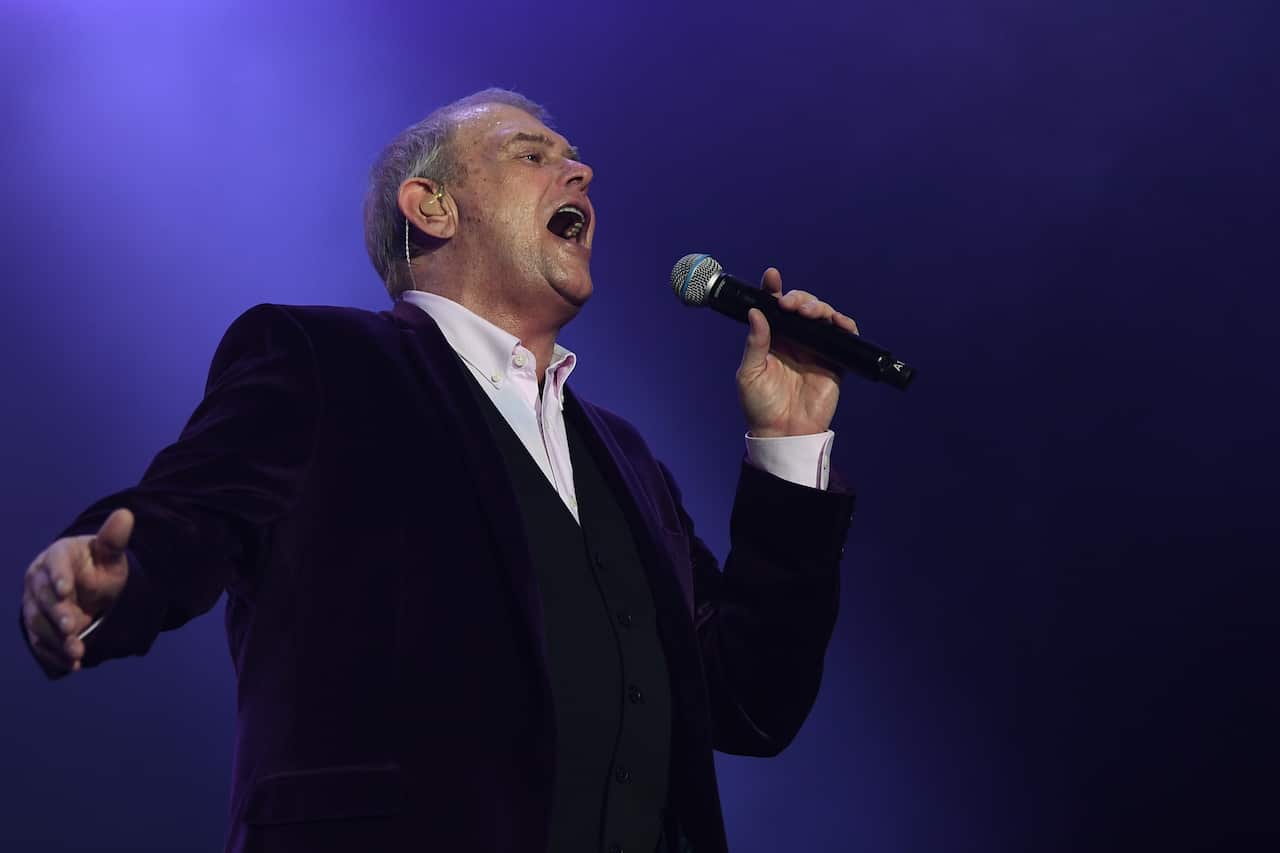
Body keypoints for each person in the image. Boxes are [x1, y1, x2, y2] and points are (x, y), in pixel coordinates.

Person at [18, 89, 859, 853]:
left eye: (570, 156)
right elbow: (195, 511)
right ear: (433, 206)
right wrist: (115, 576)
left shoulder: (629, 459)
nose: (581, 169)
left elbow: (749, 700)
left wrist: (788, 445)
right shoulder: (324, 361)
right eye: (532, 153)